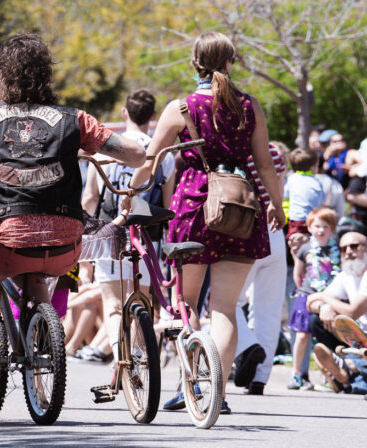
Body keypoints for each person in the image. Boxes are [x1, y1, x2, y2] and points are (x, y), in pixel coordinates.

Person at [0, 33, 145, 374]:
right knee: (39, 269)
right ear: (45, 76)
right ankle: (45, 332)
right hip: (65, 246)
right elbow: (135, 155)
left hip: (6, 244)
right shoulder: (75, 119)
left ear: (4, 76)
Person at [123, 32, 285, 414]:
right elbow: (265, 165)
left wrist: (130, 193)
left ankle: (191, 384)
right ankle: (218, 393)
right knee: (225, 309)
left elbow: (150, 161)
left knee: (186, 302)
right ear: (231, 61)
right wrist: (278, 206)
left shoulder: (182, 108)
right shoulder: (249, 106)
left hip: (195, 206)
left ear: (195, 63)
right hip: (240, 207)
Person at [81, 89, 176, 371]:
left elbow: (90, 198)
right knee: (142, 301)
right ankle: (135, 356)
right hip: (147, 235)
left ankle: (118, 356)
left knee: (112, 303)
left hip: (109, 232)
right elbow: (167, 203)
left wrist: (84, 234)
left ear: (125, 113)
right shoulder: (162, 153)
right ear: (154, 116)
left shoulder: (107, 149)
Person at [231, 141, 288, 395]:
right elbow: (280, 190)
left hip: (245, 228)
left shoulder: (235, 149)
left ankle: (248, 346)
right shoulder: (275, 152)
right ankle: (260, 378)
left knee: (228, 302)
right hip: (274, 229)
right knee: (269, 308)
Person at [288, 207, 340, 390]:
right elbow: (298, 273)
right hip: (307, 295)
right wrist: (302, 290)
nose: (321, 230)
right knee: (302, 336)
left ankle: (330, 374)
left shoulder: (337, 249)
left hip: (331, 298)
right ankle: (296, 373)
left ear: (332, 229)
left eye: (325, 226)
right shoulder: (306, 248)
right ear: (309, 228)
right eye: (317, 226)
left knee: (328, 336)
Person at [306, 230, 367, 350]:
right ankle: (344, 358)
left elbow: (352, 313)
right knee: (316, 320)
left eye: (354, 246)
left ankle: (351, 359)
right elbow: (310, 302)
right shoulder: (347, 275)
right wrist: (323, 307)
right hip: (361, 334)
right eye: (343, 249)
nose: (348, 251)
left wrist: (323, 297)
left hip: (362, 333)